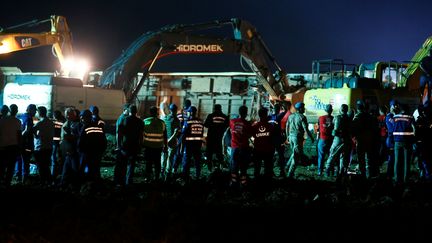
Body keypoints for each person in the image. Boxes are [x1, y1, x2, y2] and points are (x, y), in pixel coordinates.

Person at [351, 99, 380, 179]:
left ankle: (362, 174)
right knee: (368, 158)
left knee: (361, 158)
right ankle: (368, 173)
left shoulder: (357, 117)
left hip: (360, 140)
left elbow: (353, 128)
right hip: (369, 139)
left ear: (357, 109)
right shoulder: (370, 117)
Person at [285, 102, 315, 179]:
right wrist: (311, 137)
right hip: (297, 138)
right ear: (300, 108)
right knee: (296, 157)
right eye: (303, 107)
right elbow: (306, 129)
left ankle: (287, 166)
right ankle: (289, 174)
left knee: (294, 152)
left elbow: (287, 126)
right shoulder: (302, 117)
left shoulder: (291, 116)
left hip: (291, 137)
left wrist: (288, 136)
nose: (304, 109)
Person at [78, 109, 107, 182]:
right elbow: (104, 140)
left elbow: (81, 141)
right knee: (96, 170)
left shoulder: (85, 127)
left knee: (84, 170)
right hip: (97, 153)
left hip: (87, 154)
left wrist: (80, 151)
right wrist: (101, 151)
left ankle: (86, 185)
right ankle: (96, 184)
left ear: (85, 118)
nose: (81, 120)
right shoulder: (98, 127)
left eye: (82, 118)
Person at [390, 104, 415, 185]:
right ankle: (406, 180)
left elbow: (391, 128)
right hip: (407, 142)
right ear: (407, 110)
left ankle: (396, 179)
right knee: (406, 161)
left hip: (397, 141)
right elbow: (414, 129)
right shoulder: (410, 117)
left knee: (397, 161)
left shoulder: (395, 117)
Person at [324, 104, 351, 178]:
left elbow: (332, 127)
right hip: (346, 140)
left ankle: (327, 170)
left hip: (338, 139)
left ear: (340, 110)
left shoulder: (337, 117)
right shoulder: (349, 118)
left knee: (332, 154)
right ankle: (341, 173)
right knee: (343, 157)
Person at [143, 106, 168, 181]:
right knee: (157, 162)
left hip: (148, 146)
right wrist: (165, 146)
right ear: (157, 113)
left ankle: (148, 177)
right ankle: (157, 177)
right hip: (158, 146)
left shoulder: (145, 121)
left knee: (148, 162)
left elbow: (141, 134)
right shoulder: (162, 123)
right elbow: (165, 135)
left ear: (150, 113)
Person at [229, 105, 252, 188]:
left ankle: (233, 183)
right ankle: (243, 183)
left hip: (234, 147)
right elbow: (250, 135)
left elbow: (231, 130)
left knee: (234, 165)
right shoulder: (248, 124)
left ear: (239, 112)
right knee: (243, 166)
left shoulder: (232, 121)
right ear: (246, 113)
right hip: (244, 148)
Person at [122, 104, 144, 185]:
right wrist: (141, 145)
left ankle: (122, 181)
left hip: (125, 145)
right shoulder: (140, 121)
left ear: (129, 111)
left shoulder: (125, 120)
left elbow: (120, 133)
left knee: (124, 163)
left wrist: (119, 145)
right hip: (135, 145)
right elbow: (141, 135)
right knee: (131, 164)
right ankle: (128, 181)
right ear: (136, 111)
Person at [181, 106, 204, 181]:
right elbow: (201, 133)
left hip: (189, 145)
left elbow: (184, 134)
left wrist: (181, 146)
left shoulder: (188, 121)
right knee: (197, 161)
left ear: (190, 113)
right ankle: (198, 176)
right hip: (198, 145)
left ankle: (185, 177)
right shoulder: (200, 121)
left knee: (186, 161)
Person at [0, 104, 22, 186]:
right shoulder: (18, 121)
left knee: (2, 166)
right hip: (13, 146)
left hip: (2, 146)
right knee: (11, 167)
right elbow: (19, 135)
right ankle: (7, 183)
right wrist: (19, 147)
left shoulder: (2, 120)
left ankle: (1, 182)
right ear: (16, 111)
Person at [33, 106, 55, 186]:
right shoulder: (51, 122)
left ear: (39, 113)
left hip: (40, 147)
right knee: (46, 165)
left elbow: (32, 130)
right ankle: (49, 181)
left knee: (41, 166)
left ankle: (43, 182)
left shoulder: (40, 123)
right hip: (49, 147)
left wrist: (36, 136)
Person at [251, 107, 275, 179]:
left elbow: (251, 137)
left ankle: (256, 183)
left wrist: (254, 142)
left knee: (257, 168)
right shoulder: (270, 126)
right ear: (266, 115)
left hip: (258, 150)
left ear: (259, 115)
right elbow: (272, 138)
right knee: (268, 169)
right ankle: (267, 184)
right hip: (268, 150)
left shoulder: (255, 126)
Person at [204, 104, 229, 172]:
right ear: (220, 109)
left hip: (211, 138)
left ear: (214, 108)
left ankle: (210, 169)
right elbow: (227, 126)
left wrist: (212, 125)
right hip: (219, 138)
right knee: (219, 154)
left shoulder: (210, 116)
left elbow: (206, 125)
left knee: (209, 154)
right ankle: (221, 168)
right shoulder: (224, 116)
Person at [60, 108, 81, 187]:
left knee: (74, 169)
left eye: (68, 114)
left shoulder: (77, 124)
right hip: (68, 151)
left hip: (73, 151)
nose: (66, 116)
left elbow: (78, 137)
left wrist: (69, 136)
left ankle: (74, 185)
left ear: (73, 115)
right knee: (66, 169)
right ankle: (64, 184)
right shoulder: (68, 123)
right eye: (66, 115)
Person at [17, 104, 37, 183]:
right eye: (34, 110)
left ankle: (18, 176)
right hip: (26, 143)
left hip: (20, 143)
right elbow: (27, 131)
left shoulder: (21, 116)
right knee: (26, 161)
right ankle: (24, 179)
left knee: (19, 160)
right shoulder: (29, 119)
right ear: (30, 110)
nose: (35, 112)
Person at [162, 103, 181, 179]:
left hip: (164, 141)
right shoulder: (176, 120)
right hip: (172, 142)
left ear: (170, 110)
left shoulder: (164, 118)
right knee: (170, 159)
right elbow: (177, 133)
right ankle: (167, 176)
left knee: (163, 157)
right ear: (176, 111)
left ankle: (161, 174)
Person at [268, 103, 287, 177]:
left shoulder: (269, 117)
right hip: (278, 139)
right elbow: (286, 111)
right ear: (279, 110)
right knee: (281, 155)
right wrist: (283, 105)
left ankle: (270, 171)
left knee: (270, 156)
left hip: (270, 139)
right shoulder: (278, 116)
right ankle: (282, 171)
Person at [114, 103, 130, 186]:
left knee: (122, 164)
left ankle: (120, 180)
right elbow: (118, 133)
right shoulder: (122, 119)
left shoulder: (124, 118)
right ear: (124, 110)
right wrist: (118, 146)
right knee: (120, 165)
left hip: (123, 145)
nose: (130, 111)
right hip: (121, 146)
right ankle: (118, 181)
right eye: (128, 110)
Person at [316, 104, 334, 176]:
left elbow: (319, 129)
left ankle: (319, 171)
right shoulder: (333, 118)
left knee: (321, 156)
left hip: (322, 139)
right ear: (331, 110)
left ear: (325, 110)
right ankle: (330, 171)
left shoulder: (320, 118)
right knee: (331, 156)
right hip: (331, 140)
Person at [51, 110, 66, 181]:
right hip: (61, 143)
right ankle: (60, 173)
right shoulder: (64, 122)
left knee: (54, 159)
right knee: (60, 159)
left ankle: (54, 175)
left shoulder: (56, 122)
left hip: (56, 143)